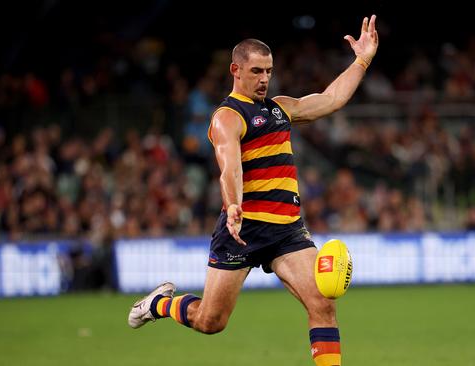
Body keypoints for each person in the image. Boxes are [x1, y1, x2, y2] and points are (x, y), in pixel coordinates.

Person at [128, 15, 379, 366]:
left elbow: (331, 98)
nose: (264, 79)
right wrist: (232, 205)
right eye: (257, 71)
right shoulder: (227, 116)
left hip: (288, 231)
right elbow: (229, 167)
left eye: (268, 71)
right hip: (243, 229)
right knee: (210, 322)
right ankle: (160, 304)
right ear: (236, 70)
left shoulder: (280, 108)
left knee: (323, 304)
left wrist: (362, 59)